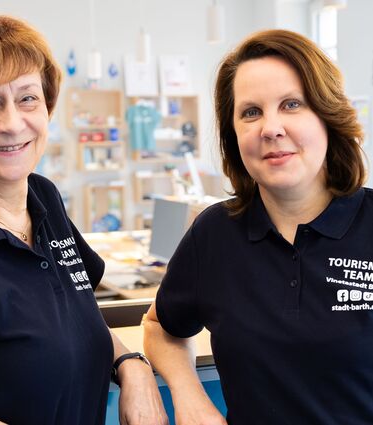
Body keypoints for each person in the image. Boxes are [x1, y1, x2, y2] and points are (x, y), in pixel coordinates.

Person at [144, 28, 372, 425]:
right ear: (233, 134)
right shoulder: (214, 233)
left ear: (327, 116)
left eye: (291, 104)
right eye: (251, 112)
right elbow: (159, 327)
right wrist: (189, 396)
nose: (271, 128)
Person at [0, 14, 168, 425]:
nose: (12, 123)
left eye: (27, 99)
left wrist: (131, 364)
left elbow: (77, 316)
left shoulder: (42, 196)